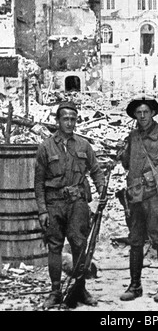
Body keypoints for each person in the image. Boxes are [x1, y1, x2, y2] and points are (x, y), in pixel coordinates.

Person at [34, 100, 106, 309]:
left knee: (79, 245)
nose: (69, 123)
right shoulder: (45, 147)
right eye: (65, 119)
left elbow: (96, 170)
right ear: (57, 121)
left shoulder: (84, 145)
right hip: (54, 203)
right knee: (55, 247)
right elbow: (38, 183)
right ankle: (55, 291)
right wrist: (42, 211)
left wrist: (102, 189)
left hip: (77, 204)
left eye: (73, 119)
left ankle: (80, 289)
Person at [119, 95, 158, 303]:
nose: (142, 116)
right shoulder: (133, 136)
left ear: (153, 113)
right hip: (136, 196)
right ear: (134, 115)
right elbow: (127, 165)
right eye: (139, 112)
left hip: (156, 195)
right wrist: (124, 151)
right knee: (135, 241)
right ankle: (135, 286)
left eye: (146, 112)